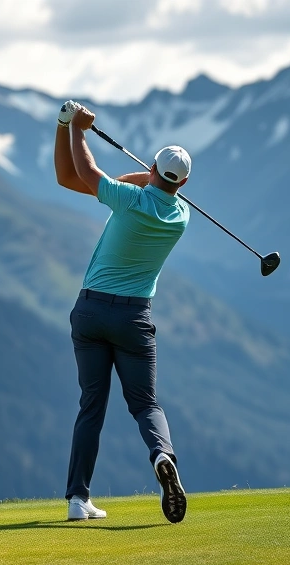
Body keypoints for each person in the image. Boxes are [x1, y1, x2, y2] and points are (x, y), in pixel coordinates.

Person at [53, 100, 190, 523]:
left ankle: (78, 500)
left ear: (153, 168)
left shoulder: (127, 199)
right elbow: (108, 181)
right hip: (134, 319)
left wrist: (77, 128)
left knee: (91, 406)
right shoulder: (181, 216)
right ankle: (162, 455)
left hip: (91, 312)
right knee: (146, 404)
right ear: (183, 183)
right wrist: (158, 178)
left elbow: (87, 172)